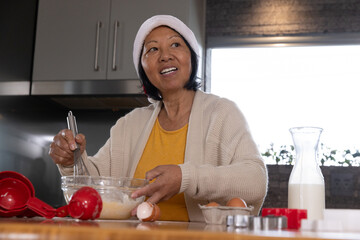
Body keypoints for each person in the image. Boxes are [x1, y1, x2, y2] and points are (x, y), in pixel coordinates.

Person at [49, 15, 268, 222]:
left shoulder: (222, 113)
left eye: (175, 45)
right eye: (152, 49)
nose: (165, 56)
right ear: (143, 70)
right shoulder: (129, 125)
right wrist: (73, 161)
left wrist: (186, 178)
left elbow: (255, 180)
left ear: (191, 57)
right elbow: (95, 187)